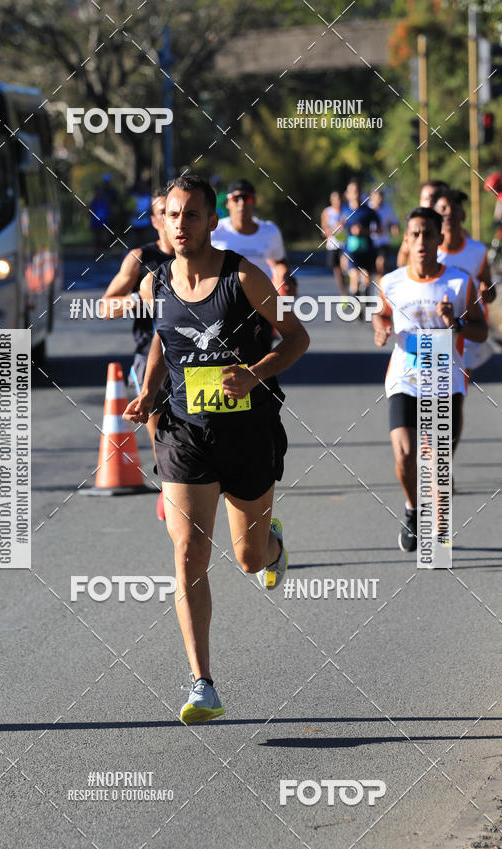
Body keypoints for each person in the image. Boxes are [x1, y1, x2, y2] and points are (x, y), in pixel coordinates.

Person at [123, 175, 309, 722]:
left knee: (248, 560)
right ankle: (202, 683)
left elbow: (296, 339)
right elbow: (163, 336)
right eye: (173, 215)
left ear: (211, 222)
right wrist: (149, 392)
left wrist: (254, 374)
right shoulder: (154, 282)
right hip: (183, 434)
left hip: (248, 432)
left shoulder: (244, 277)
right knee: (188, 554)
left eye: (192, 215)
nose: (181, 225)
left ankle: (271, 545)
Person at [372, 206, 487, 552]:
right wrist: (381, 328)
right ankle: (412, 508)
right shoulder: (391, 281)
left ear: (440, 238)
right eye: (415, 234)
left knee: (436, 459)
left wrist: (458, 324)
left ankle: (438, 532)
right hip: (404, 377)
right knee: (406, 456)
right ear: (406, 239)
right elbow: (381, 315)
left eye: (428, 234)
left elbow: (482, 331)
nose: (421, 241)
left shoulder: (459, 282)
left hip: (444, 377)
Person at [101, 187, 174, 519]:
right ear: (156, 219)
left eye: (181, 211)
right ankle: (171, 487)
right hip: (150, 355)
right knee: (160, 435)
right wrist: (138, 301)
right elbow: (104, 306)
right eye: (165, 212)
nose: (173, 220)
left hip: (197, 355)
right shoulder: (140, 258)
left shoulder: (210, 256)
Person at [432, 187, 496, 375]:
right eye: (443, 209)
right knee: (438, 387)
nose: (449, 213)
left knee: (458, 388)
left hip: (467, 329)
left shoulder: (477, 250)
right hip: (438, 329)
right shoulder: (427, 251)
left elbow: (490, 290)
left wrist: (487, 293)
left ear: (463, 214)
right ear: (434, 215)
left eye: (454, 208)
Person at [210, 178, 295, 293]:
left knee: (287, 311)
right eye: (236, 198)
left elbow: (279, 261)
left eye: (247, 198)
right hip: (225, 299)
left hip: (262, 298)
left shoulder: (270, 231)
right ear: (228, 203)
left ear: (254, 201)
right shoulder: (213, 230)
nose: (242, 203)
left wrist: (286, 278)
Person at [340, 178, 379, 296]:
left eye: (357, 191)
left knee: (366, 278)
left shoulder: (368, 211)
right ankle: (356, 308)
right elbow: (340, 230)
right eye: (351, 191)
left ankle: (365, 299)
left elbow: (379, 229)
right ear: (347, 194)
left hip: (366, 248)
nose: (354, 194)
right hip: (350, 249)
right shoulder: (345, 210)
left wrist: (363, 231)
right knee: (354, 276)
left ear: (361, 193)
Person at [396, 179, 449, 267]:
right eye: (425, 199)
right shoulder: (414, 228)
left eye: (433, 199)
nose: (429, 204)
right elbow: (403, 254)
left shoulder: (454, 233)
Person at [368, 188, 399, 276]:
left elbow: (394, 221)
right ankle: (366, 285)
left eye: (381, 197)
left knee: (381, 263)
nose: (379, 199)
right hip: (369, 241)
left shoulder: (387, 209)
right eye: (377, 197)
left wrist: (394, 228)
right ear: (371, 197)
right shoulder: (367, 209)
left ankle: (379, 284)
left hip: (383, 241)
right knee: (369, 268)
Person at [321, 190, 347, 296]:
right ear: (331, 200)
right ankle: (344, 294)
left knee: (345, 267)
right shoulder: (327, 212)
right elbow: (324, 232)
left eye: (340, 199)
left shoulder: (346, 211)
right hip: (333, 245)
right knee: (338, 272)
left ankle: (352, 286)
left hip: (346, 245)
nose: (338, 201)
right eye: (335, 199)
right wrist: (336, 228)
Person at [89, 174, 119, 252]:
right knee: (97, 238)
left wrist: (113, 214)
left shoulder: (112, 192)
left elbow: (115, 204)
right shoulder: (94, 199)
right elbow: (90, 210)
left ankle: (106, 251)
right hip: (96, 221)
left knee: (106, 237)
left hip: (105, 219)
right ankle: (97, 253)